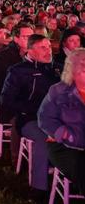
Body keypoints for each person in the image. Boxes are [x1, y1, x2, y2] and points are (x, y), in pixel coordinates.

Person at [1, 34, 60, 194]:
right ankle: (38, 187)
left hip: (58, 118)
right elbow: (7, 100)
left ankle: (71, 174)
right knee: (43, 138)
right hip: (29, 119)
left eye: (49, 47)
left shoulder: (57, 68)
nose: (48, 51)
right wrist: (37, 109)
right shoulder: (18, 71)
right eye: (43, 47)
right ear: (30, 50)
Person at [38, 48, 85, 195]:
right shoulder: (58, 91)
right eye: (83, 65)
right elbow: (44, 118)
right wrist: (63, 133)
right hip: (64, 146)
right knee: (82, 167)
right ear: (73, 69)